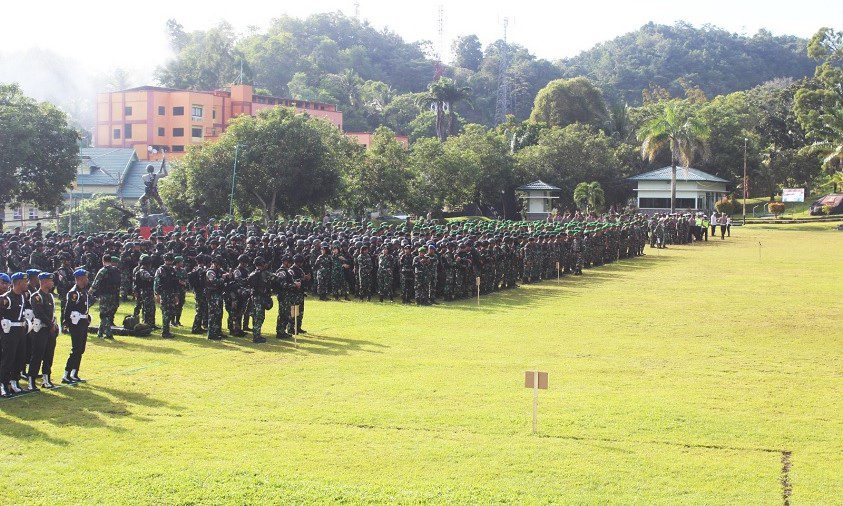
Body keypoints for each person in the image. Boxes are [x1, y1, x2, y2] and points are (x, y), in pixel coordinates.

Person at [27, 272, 59, 390]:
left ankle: (46, 379)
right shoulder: (36, 296)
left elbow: (52, 313)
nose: (52, 283)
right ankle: (31, 381)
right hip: (40, 330)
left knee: (49, 355)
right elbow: (39, 313)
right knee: (37, 355)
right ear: (44, 282)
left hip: (50, 330)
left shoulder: (50, 296)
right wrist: (50, 324)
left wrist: (54, 325)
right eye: (50, 281)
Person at [1, 272, 30, 396]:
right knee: (8, 359)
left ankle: (14, 382)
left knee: (19, 357)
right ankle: (3, 384)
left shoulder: (23, 297)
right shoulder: (6, 298)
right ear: (18, 283)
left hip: (20, 331)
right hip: (9, 332)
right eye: (24, 282)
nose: (27, 284)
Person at [62, 269, 91, 384]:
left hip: (83, 323)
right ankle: (66, 374)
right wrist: (66, 323)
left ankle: (74, 373)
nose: (87, 279)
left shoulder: (83, 291)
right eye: (85, 277)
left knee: (81, 349)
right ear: (79, 279)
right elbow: (67, 309)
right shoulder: (74, 293)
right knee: (76, 349)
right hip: (76, 324)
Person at [91, 255, 121, 340]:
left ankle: (108, 333)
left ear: (103, 261)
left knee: (104, 314)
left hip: (105, 295)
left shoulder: (103, 270)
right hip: (114, 295)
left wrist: (90, 292)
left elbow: (95, 283)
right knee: (108, 314)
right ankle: (100, 332)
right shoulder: (116, 270)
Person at [153, 253, 179, 339]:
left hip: (171, 293)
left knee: (170, 312)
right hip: (164, 293)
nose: (169, 262)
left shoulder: (173, 270)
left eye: (170, 260)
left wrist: (176, 295)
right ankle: (165, 332)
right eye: (168, 260)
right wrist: (157, 294)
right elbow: (156, 283)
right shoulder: (161, 270)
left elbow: (175, 283)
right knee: (166, 312)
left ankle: (167, 330)